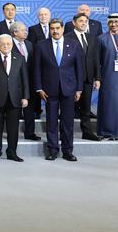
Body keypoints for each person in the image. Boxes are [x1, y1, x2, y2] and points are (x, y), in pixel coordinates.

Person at [33, 19, 84, 161]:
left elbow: (79, 68)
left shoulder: (74, 45)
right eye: (52, 28)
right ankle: (52, 150)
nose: (55, 31)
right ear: (49, 30)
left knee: (67, 122)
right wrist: (39, 88)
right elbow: (36, 68)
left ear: (62, 29)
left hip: (69, 90)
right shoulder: (41, 45)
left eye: (57, 28)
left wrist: (79, 88)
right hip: (49, 90)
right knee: (51, 122)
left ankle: (68, 151)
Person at [0, 34, 28, 162]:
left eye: (8, 44)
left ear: (12, 45)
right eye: (3, 44)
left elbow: (24, 80)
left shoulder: (20, 58)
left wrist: (26, 97)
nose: (6, 46)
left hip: (15, 99)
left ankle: (12, 152)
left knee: (13, 128)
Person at [66, 13, 101, 140]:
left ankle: (87, 132)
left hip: (87, 78)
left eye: (85, 21)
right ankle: (66, 133)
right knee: (68, 108)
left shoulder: (91, 38)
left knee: (86, 108)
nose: (83, 23)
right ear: (74, 23)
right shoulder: (67, 37)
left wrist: (97, 78)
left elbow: (95, 59)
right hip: (71, 78)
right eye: (80, 21)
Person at [11, 21, 40, 141]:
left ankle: (30, 132)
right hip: (14, 83)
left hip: (29, 82)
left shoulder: (29, 44)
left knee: (30, 109)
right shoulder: (8, 44)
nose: (26, 32)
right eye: (23, 30)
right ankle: (13, 133)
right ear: (15, 32)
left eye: (26, 30)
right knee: (14, 109)